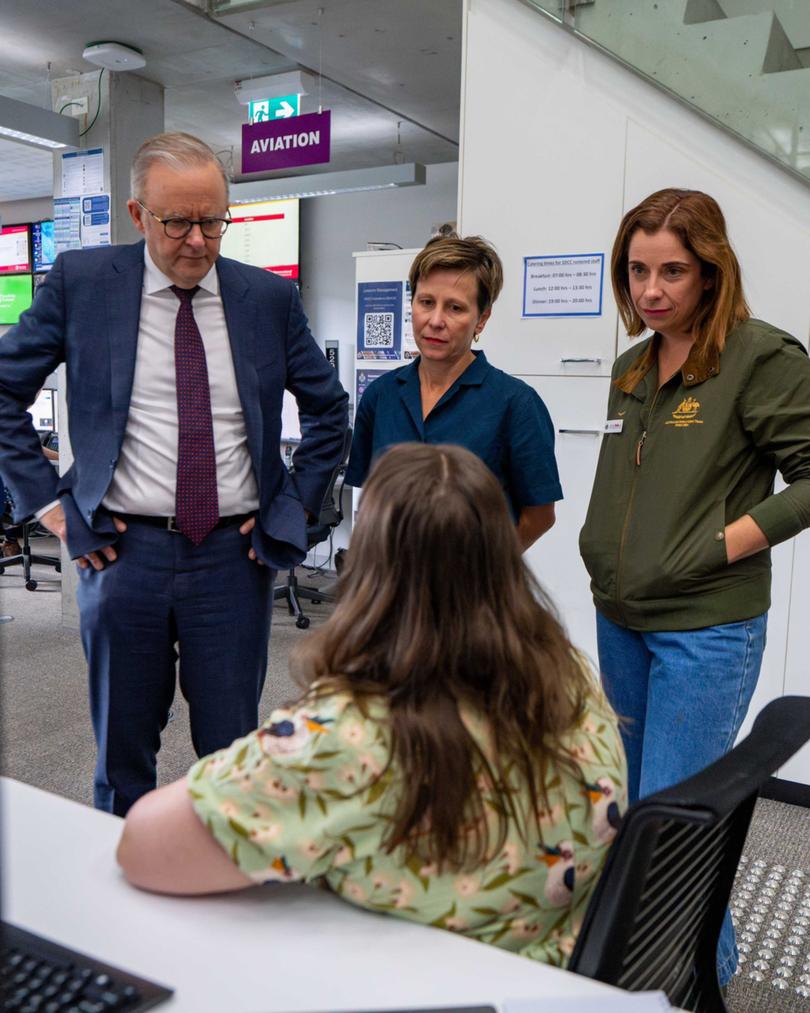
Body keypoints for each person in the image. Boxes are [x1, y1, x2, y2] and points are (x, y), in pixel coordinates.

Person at [117, 443, 626, 967]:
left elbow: (141, 846)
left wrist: (277, 748)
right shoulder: (569, 674)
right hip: (557, 983)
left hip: (419, 990)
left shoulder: (347, 737)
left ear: (371, 567)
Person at [0, 132, 348, 816]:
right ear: (137, 215)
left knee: (232, 756)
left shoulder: (266, 300)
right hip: (122, 552)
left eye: (213, 220)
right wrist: (48, 508)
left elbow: (328, 412)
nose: (198, 240)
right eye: (177, 222)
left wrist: (292, 513)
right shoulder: (83, 283)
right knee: (122, 755)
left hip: (232, 557)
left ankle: (225, 899)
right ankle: (117, 900)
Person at [579, 187, 810, 984]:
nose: (651, 290)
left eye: (672, 271)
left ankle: (678, 985)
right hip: (621, 619)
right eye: (638, 271)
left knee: (671, 825)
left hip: (706, 628)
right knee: (643, 816)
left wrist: (723, 545)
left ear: (711, 271)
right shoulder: (632, 363)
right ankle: (701, 976)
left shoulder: (760, 355)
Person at [345, 234, 562, 551]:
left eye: (455, 308)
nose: (435, 321)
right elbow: (369, 498)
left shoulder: (516, 404)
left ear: (481, 319)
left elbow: (540, 514)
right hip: (391, 588)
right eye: (426, 302)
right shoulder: (381, 396)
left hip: (472, 595)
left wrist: (484, 575)